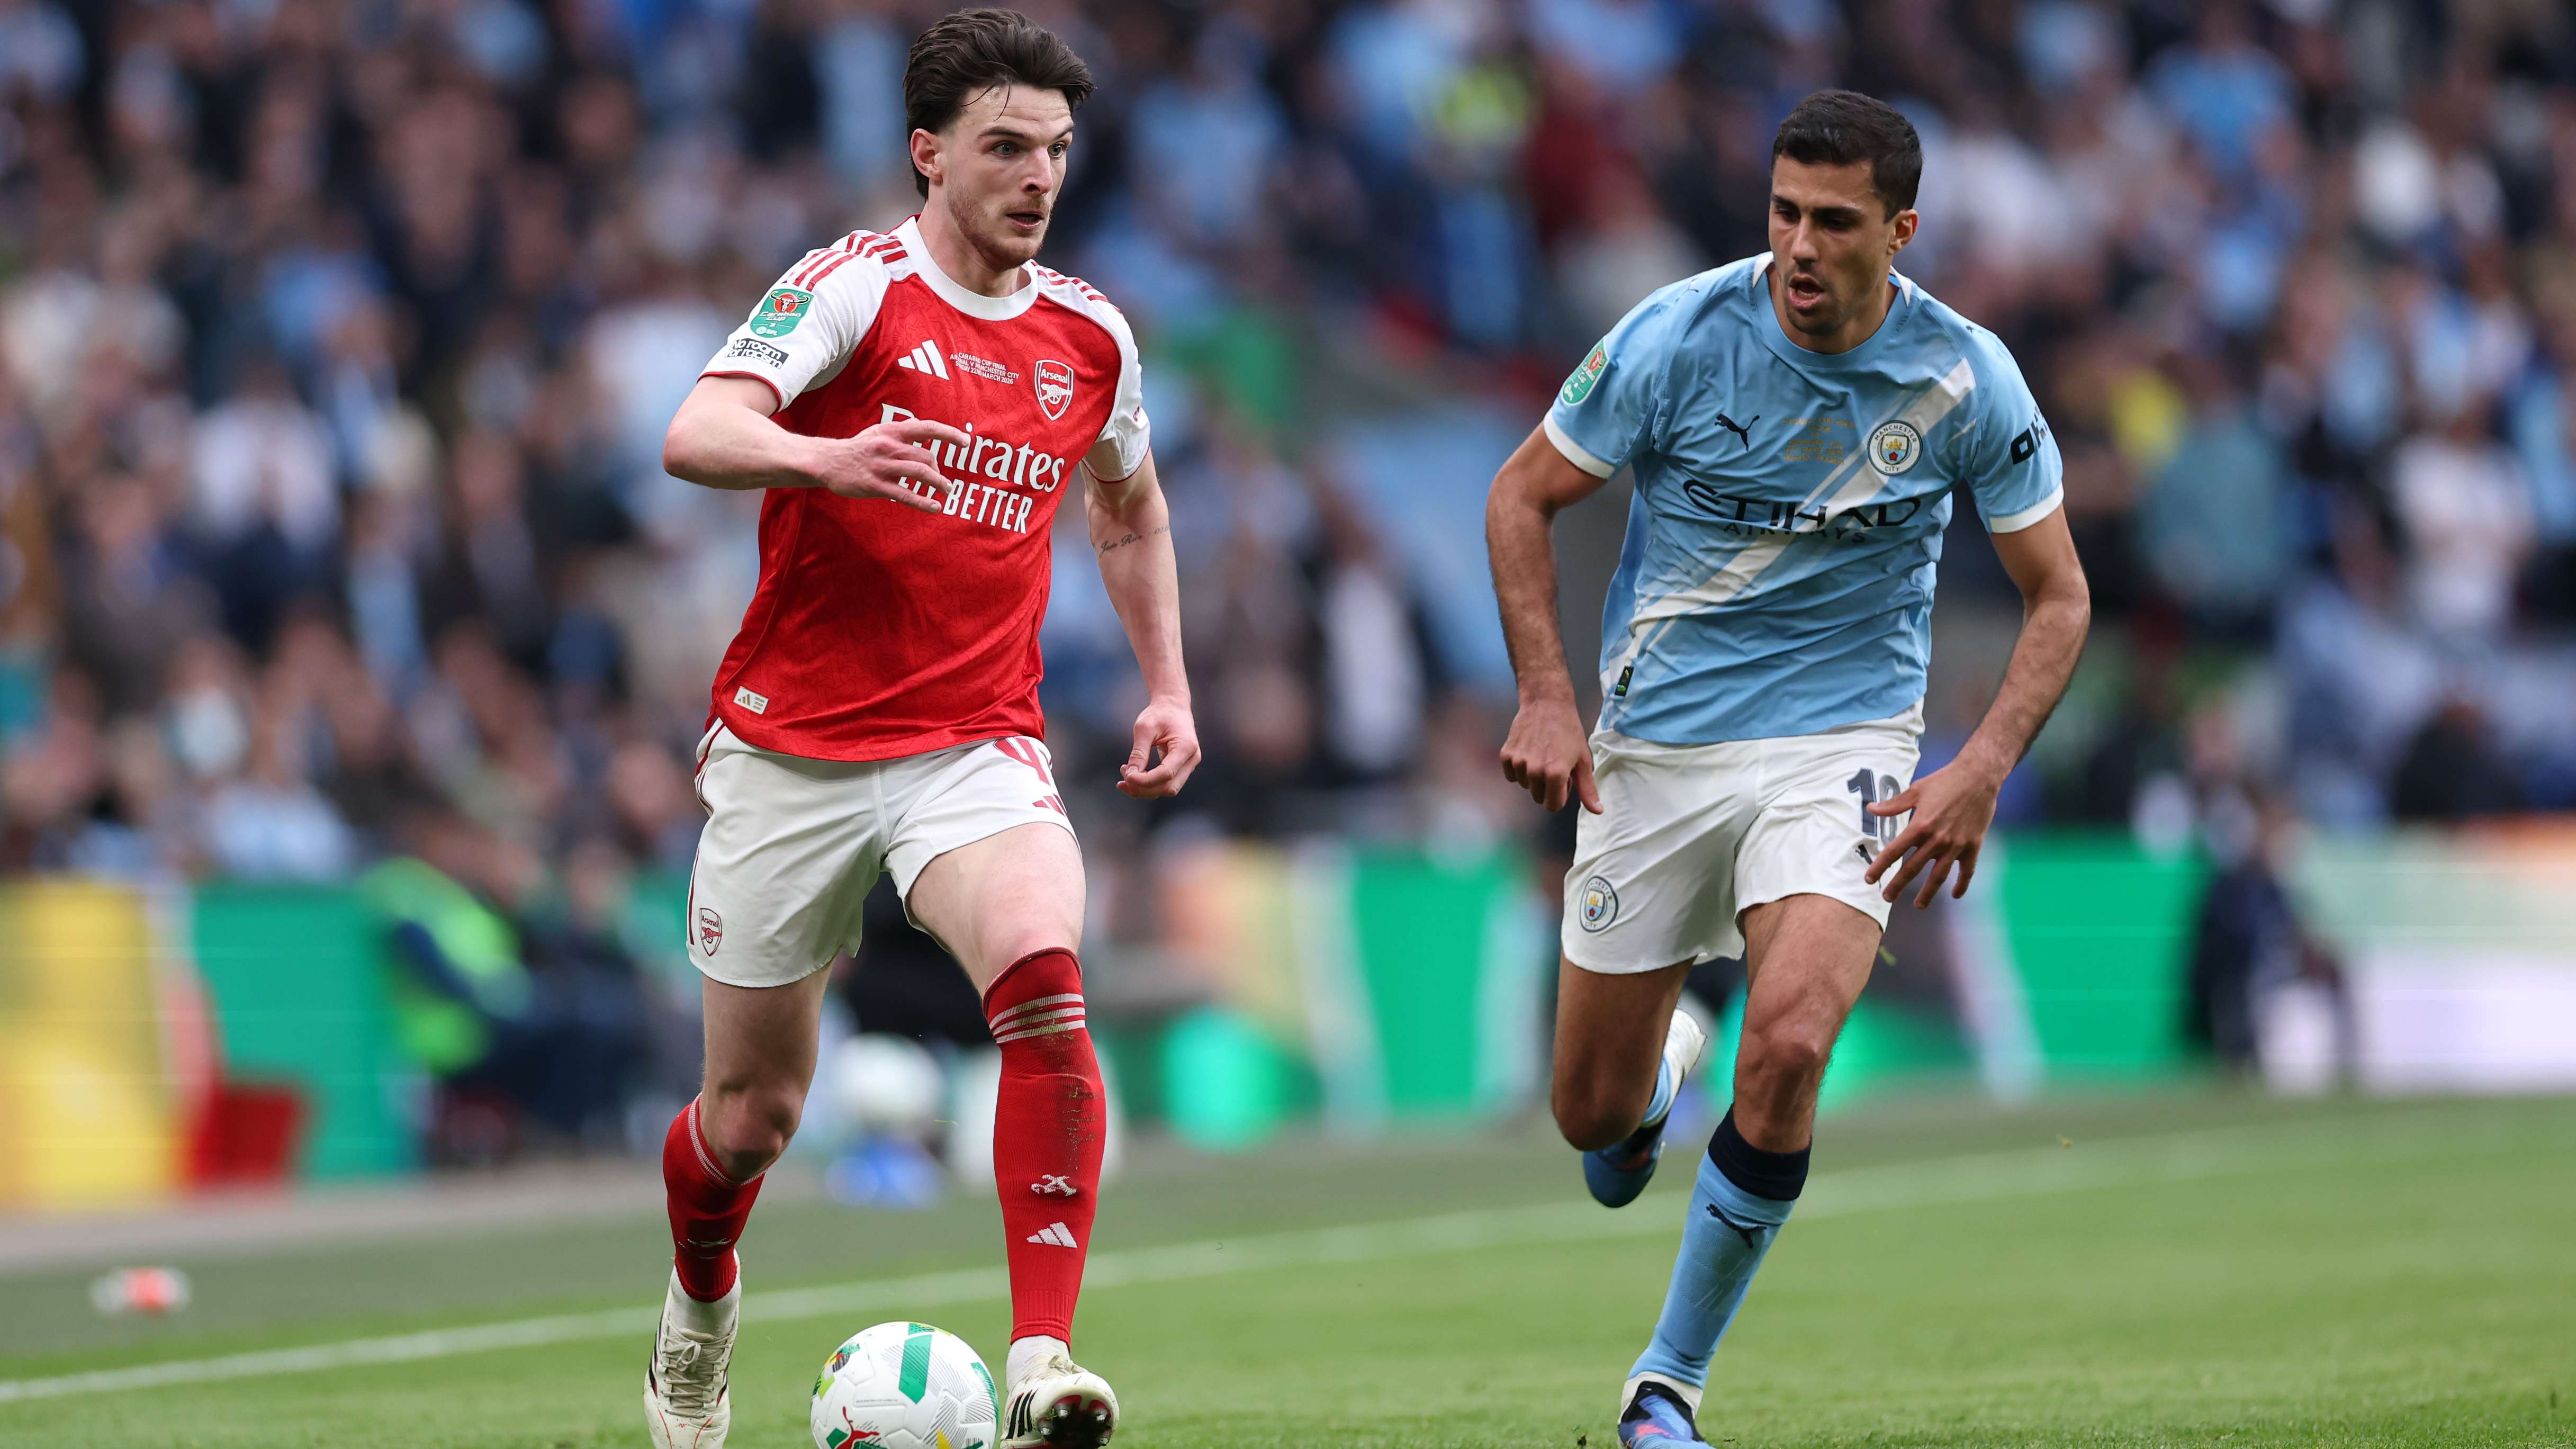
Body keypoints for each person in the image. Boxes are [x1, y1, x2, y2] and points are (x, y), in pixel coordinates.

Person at [1483, 90, 2091, 1447]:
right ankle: (1649, 1083)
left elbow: (2059, 596)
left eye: (1833, 221)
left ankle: (1666, 1387)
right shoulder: (1677, 334)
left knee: (1799, 1040)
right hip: (1656, 751)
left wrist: (1981, 763)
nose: (1800, 246)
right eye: (1783, 214)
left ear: (1902, 230)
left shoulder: (1966, 375)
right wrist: (1545, 692)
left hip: (1845, 747)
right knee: (1589, 1121)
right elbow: (1520, 494)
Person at [647, 12, 1199, 1448]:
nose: (1037, 176)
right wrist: (826, 456)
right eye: (1006, 147)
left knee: (1045, 987)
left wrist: (1167, 684)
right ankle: (700, 1305)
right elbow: (696, 432)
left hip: (975, 742)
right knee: (749, 1119)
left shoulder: (1090, 335)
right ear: (927, 153)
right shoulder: (850, 289)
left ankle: (1041, 1365)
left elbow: (1129, 507)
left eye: (1057, 151)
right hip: (793, 751)